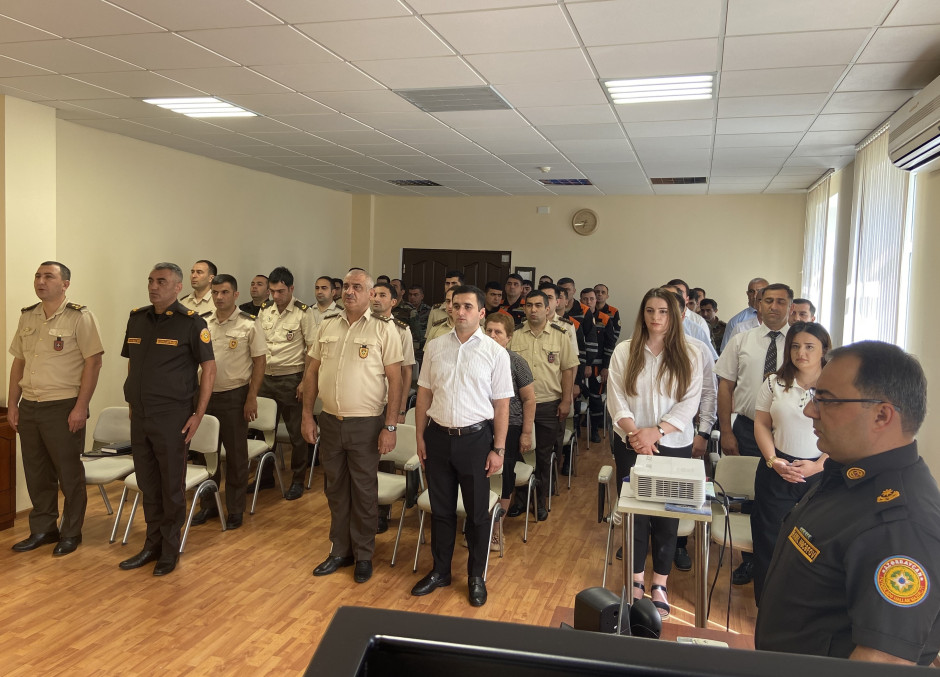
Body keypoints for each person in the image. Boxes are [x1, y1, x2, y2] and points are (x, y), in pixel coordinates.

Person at [755, 341, 940, 665]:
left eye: (826, 400)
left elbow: (883, 662)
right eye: (814, 396)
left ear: (882, 415)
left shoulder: (900, 525)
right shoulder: (846, 475)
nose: (810, 411)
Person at [411, 285, 513, 607]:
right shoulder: (435, 346)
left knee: (477, 514)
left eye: (468, 306)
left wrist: (498, 449)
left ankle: (475, 577)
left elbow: (502, 406)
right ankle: (440, 571)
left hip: (475, 441)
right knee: (441, 511)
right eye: (456, 306)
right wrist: (420, 437)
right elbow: (424, 395)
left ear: (481, 313)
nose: (461, 311)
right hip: (438, 438)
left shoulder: (495, 353)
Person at [302, 269, 403, 585]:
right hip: (330, 421)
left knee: (363, 491)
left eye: (357, 287)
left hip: (366, 424)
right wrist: (307, 415)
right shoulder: (327, 325)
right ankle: (339, 551)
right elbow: (312, 372)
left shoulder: (384, 330)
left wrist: (390, 426)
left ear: (371, 294)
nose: (349, 291)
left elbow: (396, 380)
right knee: (335, 489)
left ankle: (363, 554)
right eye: (345, 286)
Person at [607, 288, 703, 619]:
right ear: (642, 314)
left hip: (672, 445)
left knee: (666, 515)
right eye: (650, 310)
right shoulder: (625, 350)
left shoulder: (691, 353)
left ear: (675, 316)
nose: (656, 317)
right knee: (636, 512)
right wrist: (636, 434)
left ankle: (660, 582)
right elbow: (616, 397)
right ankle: (635, 579)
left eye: (663, 311)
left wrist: (657, 432)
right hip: (631, 443)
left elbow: (690, 402)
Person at [119, 262, 216, 576]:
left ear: (177, 287)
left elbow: (209, 369)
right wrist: (132, 400)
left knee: (171, 486)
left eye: (161, 281)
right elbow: (133, 364)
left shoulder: (191, 323)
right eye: (150, 280)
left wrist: (199, 414)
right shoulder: (137, 319)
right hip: (141, 415)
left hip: (172, 416)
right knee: (148, 483)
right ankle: (152, 544)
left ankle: (169, 550)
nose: (153, 286)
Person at [8, 261, 104, 557]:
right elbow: (19, 362)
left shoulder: (80, 316)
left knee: (69, 474)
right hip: (30, 405)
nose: (41, 281)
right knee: (36, 472)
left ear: (65, 284)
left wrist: (81, 407)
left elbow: (94, 362)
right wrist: (13, 404)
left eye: (48, 276)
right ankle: (43, 529)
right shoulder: (28, 316)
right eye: (38, 276)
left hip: (63, 406)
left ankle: (71, 532)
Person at [714, 282, 792, 585]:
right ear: (758, 304)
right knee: (750, 495)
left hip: (786, 434)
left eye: (781, 301)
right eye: (768, 300)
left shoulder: (798, 344)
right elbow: (725, 387)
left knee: (780, 499)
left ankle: (778, 562)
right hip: (746, 428)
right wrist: (726, 430)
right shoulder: (740, 340)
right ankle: (751, 562)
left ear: (790, 307)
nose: (774, 306)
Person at [751, 321, 830, 603]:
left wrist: (818, 465)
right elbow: (761, 423)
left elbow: (843, 431)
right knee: (769, 540)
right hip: (777, 468)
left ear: (824, 350)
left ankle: (803, 606)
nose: (801, 353)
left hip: (821, 472)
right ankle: (767, 604)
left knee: (814, 543)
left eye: (809, 347)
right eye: (795, 346)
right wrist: (773, 460)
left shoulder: (834, 386)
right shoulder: (774, 382)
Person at [190, 274, 266, 530]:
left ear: (235, 295)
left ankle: (235, 508)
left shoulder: (249, 324)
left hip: (235, 395)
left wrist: (252, 397)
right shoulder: (203, 322)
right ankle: (209, 505)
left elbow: (259, 362)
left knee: (235, 455)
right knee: (205, 453)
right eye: (215, 293)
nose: (219, 297)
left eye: (224, 292)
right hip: (204, 396)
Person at [508, 289, 578, 521]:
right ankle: (520, 500)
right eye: (529, 305)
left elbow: (567, 370)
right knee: (518, 453)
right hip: (518, 405)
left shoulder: (560, 335)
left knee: (543, 455)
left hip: (548, 403)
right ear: (524, 308)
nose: (533, 310)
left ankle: (539, 501)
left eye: (538, 305)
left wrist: (566, 400)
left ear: (548, 308)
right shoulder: (515, 335)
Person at [256, 266, 316, 501]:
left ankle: (298, 480)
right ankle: (265, 477)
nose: (276, 296)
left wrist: (305, 381)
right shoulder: (265, 310)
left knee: (296, 434)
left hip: (291, 378)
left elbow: (312, 349)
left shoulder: (303, 313)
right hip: (266, 378)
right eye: (272, 291)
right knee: (264, 431)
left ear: (291, 288)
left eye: (280, 291)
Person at [484, 313, 535, 550]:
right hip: (481, 425)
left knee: (503, 476)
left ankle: (497, 529)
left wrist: (526, 433)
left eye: (498, 332)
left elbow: (529, 399)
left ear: (509, 337)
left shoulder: (516, 362)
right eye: (489, 331)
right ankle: (479, 525)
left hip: (511, 426)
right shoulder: (477, 358)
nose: (492, 336)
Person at [721, 277, 768, 351]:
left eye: (759, 291)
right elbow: (726, 352)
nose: (755, 295)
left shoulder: (779, 321)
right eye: (751, 291)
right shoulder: (736, 322)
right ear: (747, 294)